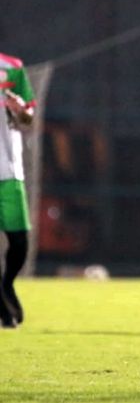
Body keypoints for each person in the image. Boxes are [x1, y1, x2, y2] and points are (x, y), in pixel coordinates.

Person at [0, 52, 36, 329]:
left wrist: (19, 110)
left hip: (9, 173)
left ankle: (7, 284)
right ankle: (3, 309)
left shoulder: (11, 68)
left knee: (20, 243)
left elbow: (28, 120)